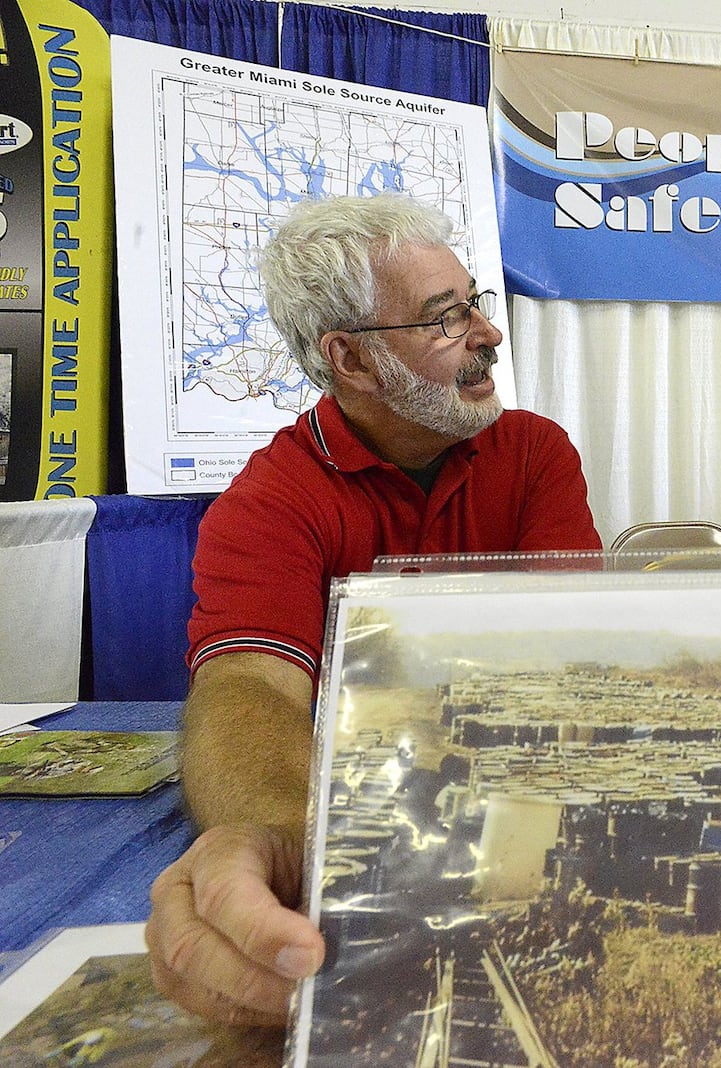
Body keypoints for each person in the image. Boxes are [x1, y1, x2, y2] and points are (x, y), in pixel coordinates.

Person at [145, 194, 602, 1026]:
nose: (488, 334)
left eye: (476, 302)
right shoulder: (269, 501)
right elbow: (248, 690)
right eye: (443, 318)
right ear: (350, 360)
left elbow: (568, 666)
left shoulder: (535, 453)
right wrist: (295, 845)